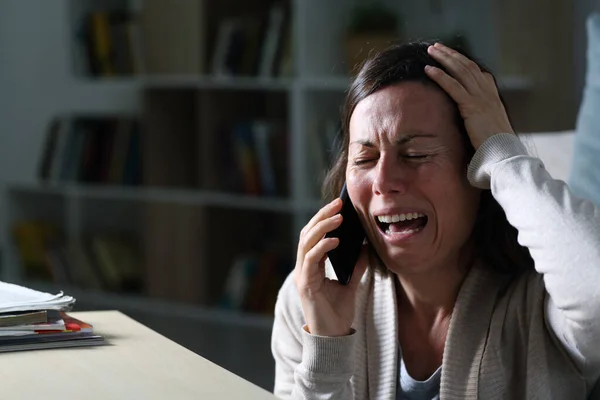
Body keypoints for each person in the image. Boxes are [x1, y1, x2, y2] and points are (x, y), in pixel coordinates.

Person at [270, 41, 600, 399]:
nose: (382, 182)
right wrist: (327, 350)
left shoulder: (543, 305)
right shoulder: (309, 301)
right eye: (364, 160)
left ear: (479, 171)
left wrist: (503, 153)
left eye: (416, 154)